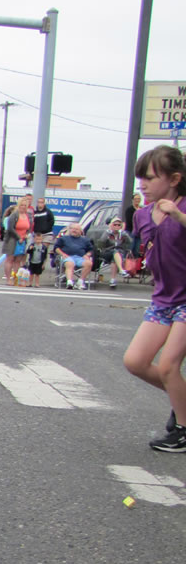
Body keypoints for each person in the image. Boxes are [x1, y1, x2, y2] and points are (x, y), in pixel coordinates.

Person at [122, 145, 186, 452]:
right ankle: (182, 402)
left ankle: (183, 430)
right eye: (140, 179)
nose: (143, 185)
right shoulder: (142, 215)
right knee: (135, 361)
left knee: (169, 366)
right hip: (164, 298)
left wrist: (178, 216)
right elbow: (144, 248)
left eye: (149, 178)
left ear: (174, 179)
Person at [53, 221, 95, 290]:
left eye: (76, 229)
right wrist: (62, 254)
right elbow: (56, 248)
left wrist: (87, 254)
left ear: (80, 231)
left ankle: (80, 282)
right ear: (69, 230)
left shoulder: (85, 240)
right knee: (70, 263)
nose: (74, 230)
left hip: (80, 258)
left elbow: (91, 249)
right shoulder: (63, 239)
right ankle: (69, 282)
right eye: (72, 229)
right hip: (67, 257)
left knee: (89, 263)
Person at [98, 217, 131, 288]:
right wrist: (107, 233)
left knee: (115, 258)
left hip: (119, 254)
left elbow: (129, 242)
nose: (117, 226)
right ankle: (121, 270)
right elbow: (101, 243)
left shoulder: (123, 234)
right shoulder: (107, 232)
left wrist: (124, 234)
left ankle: (113, 280)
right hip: (107, 252)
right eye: (115, 225)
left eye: (119, 225)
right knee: (115, 252)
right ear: (111, 225)